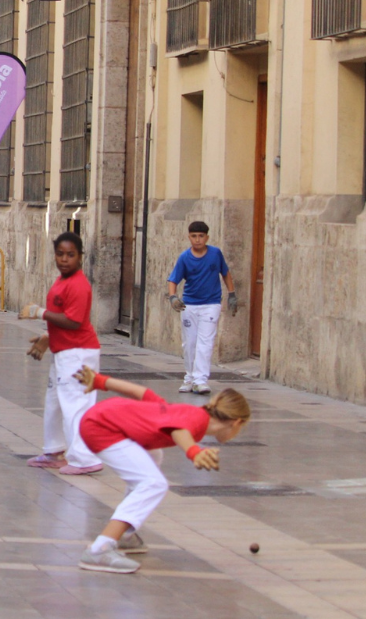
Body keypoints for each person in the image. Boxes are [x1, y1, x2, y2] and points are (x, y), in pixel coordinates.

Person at [72, 365, 251, 574]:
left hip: (102, 420)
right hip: (102, 427)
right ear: (237, 422)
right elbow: (179, 430)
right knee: (153, 484)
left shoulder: (189, 413)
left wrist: (101, 382)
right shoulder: (197, 419)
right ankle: (101, 548)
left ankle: (125, 535)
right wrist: (193, 452)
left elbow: (144, 393)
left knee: (154, 456)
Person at [20, 232, 104, 476]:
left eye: (70, 255)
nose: (64, 259)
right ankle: (54, 451)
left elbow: (74, 321)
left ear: (80, 257)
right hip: (64, 351)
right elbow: (63, 317)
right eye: (60, 254)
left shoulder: (78, 284)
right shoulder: (62, 281)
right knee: (56, 402)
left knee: (76, 404)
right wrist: (48, 338)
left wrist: (39, 312)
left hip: (78, 353)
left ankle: (85, 458)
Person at [167, 221, 237, 395]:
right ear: (189, 237)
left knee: (205, 343)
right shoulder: (184, 257)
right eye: (194, 236)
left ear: (207, 237)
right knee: (189, 344)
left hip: (211, 304)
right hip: (189, 306)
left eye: (201, 236)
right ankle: (189, 378)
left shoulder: (215, 254)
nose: (197, 240)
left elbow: (225, 273)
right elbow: (173, 279)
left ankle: (200, 380)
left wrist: (232, 294)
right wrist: (173, 297)